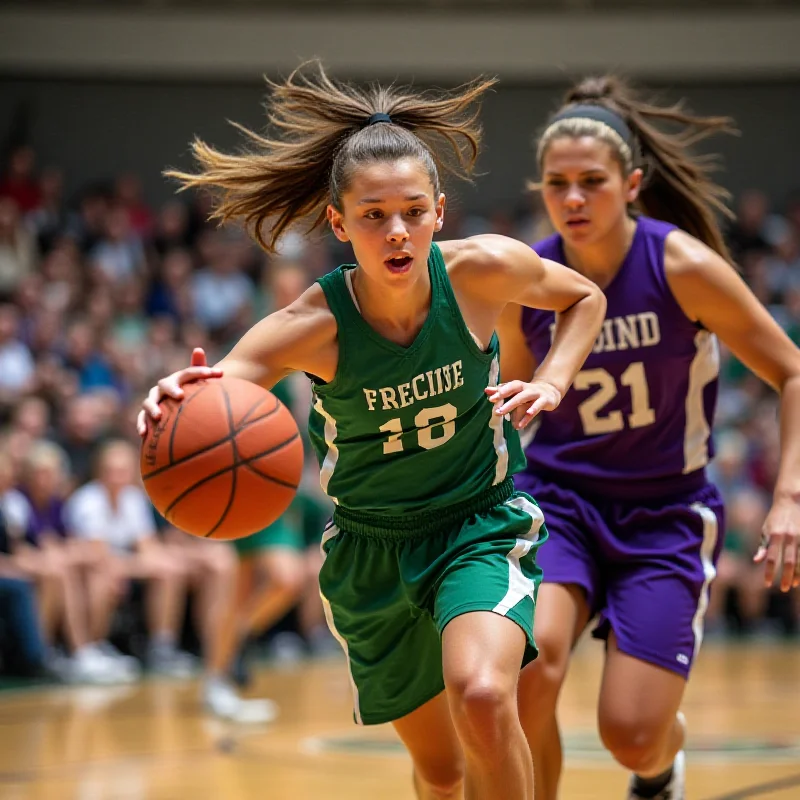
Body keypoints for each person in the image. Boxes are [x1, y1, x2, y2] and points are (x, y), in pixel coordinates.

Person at [138, 62, 606, 799]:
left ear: (440, 212)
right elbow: (214, 389)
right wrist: (174, 392)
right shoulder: (311, 326)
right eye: (374, 214)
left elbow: (583, 298)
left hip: (476, 525)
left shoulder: (480, 272)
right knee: (442, 770)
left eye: (414, 211)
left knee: (483, 697)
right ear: (338, 222)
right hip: (370, 554)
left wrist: (552, 379)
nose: (397, 231)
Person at [493, 76, 800, 800]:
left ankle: (662, 765)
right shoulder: (527, 282)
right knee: (528, 672)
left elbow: (791, 370)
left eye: (591, 183)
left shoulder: (680, 265)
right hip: (558, 502)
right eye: (556, 184)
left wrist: (789, 498)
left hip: (664, 513)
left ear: (630, 184)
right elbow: (507, 412)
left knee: (630, 734)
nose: (572, 200)